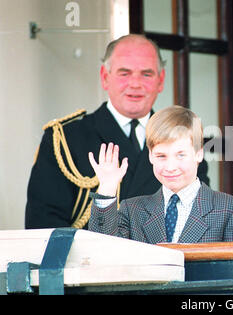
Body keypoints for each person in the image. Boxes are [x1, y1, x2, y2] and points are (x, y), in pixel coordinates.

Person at [25, 34, 209, 229]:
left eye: (146, 74)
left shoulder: (184, 138)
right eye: (124, 73)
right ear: (105, 77)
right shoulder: (66, 139)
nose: (135, 84)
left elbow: (200, 219)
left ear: (160, 80)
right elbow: (44, 227)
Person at [88, 105, 233, 243]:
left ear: (199, 154)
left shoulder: (230, 209)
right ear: (151, 156)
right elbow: (103, 251)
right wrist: (108, 188)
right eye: (161, 156)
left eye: (181, 155)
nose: (170, 167)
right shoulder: (132, 210)